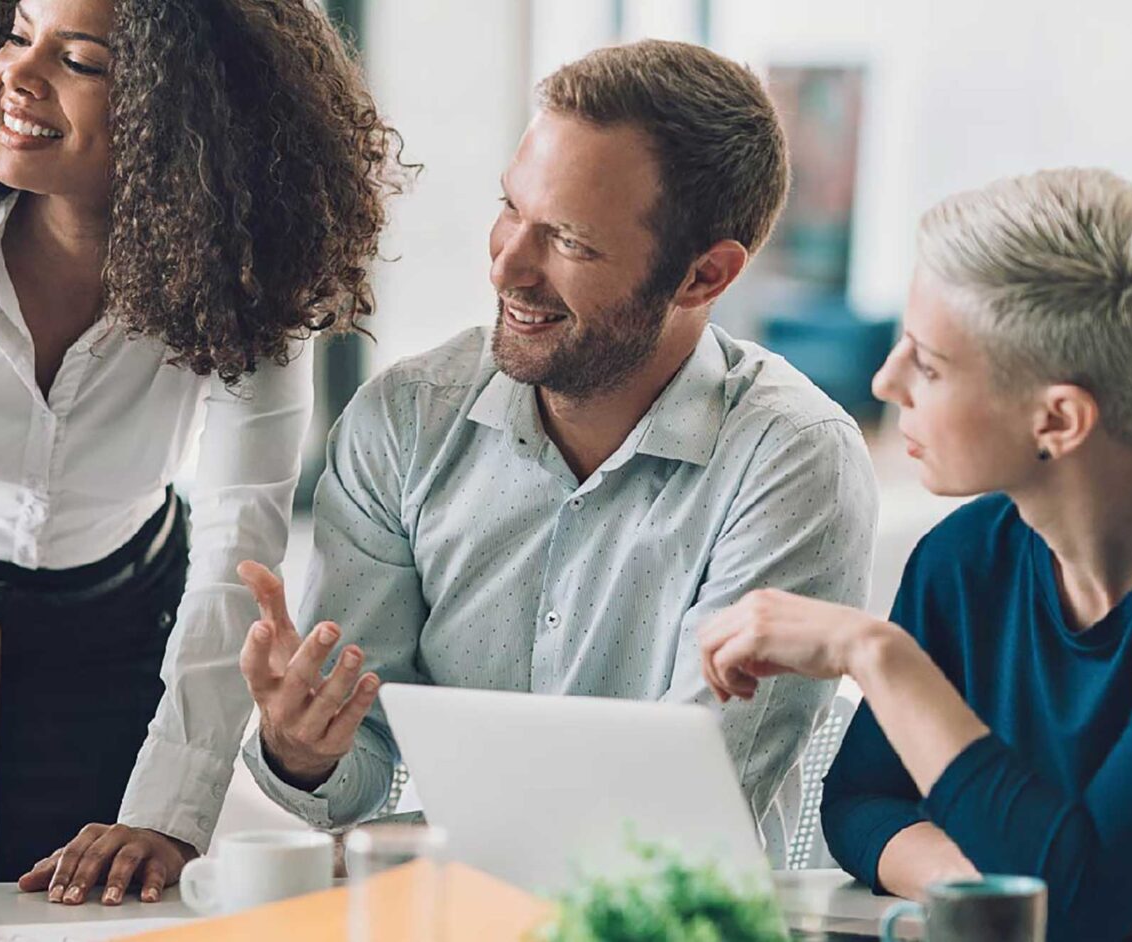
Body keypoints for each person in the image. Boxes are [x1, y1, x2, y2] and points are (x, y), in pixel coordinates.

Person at [0, 0, 406, 900]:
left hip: (128, 629)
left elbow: (237, 547)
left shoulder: (250, 270)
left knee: (100, 906)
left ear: (184, 110)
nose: (18, 71)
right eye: (16, 32)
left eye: (79, 60)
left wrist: (171, 813)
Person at [233, 40, 877, 847]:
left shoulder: (790, 460)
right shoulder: (404, 421)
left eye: (569, 241)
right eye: (511, 209)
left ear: (704, 277)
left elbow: (696, 805)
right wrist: (304, 751)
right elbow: (358, 769)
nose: (508, 267)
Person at [697, 168, 1132, 940]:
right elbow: (859, 805)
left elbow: (1081, 906)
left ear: (1057, 419)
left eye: (928, 363)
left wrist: (875, 653)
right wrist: (988, 885)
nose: (888, 382)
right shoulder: (966, 556)